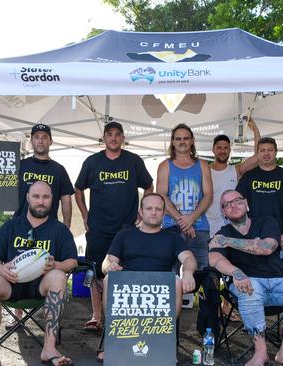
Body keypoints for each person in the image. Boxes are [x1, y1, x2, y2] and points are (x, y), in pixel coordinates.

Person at [0, 123, 75, 324]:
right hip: (20, 225)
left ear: (50, 141)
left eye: (44, 137)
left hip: (48, 227)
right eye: (37, 137)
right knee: (17, 263)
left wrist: (66, 225)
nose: (40, 140)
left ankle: (34, 312)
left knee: (44, 268)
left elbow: (67, 198)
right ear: (31, 141)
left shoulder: (59, 170)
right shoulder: (20, 164)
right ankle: (18, 314)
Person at [209, 190, 283, 366]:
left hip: (279, 279)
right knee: (250, 288)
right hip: (249, 283)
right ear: (223, 213)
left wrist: (228, 241)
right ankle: (260, 353)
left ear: (247, 204)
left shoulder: (266, 222)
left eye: (237, 200)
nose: (233, 205)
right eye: (227, 204)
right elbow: (214, 258)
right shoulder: (223, 231)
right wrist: (236, 272)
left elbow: (267, 247)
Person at [0, 181, 78, 366]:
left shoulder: (59, 229)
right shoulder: (11, 226)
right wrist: (1, 269)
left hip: (41, 286)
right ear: (28, 198)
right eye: (36, 196)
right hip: (11, 284)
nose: (41, 201)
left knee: (58, 276)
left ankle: (49, 348)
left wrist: (56, 265)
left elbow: (72, 261)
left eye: (46, 197)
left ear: (52, 200)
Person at [97, 193, 197, 362]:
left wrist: (187, 273)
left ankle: (163, 344)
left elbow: (188, 258)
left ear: (164, 212)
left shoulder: (173, 238)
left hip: (160, 288)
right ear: (141, 212)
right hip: (129, 287)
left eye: (158, 209)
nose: (153, 212)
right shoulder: (124, 235)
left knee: (176, 281)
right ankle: (114, 342)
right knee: (108, 279)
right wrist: (110, 266)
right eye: (149, 208)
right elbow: (107, 262)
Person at [74, 121, 153, 331]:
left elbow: (149, 186)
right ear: (104, 137)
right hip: (98, 228)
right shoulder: (92, 162)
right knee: (95, 272)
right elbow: (78, 189)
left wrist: (142, 212)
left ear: (123, 137)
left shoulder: (133, 161)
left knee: (124, 271)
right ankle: (96, 315)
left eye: (118, 134)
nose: (113, 138)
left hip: (127, 228)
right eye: (109, 134)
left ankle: (122, 316)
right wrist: (84, 215)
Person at [236, 136, 283, 266]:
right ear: (258, 153)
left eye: (270, 150)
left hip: (282, 240)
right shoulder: (248, 177)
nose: (266, 153)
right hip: (254, 241)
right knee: (256, 281)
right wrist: (244, 233)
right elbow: (238, 205)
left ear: (276, 152)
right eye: (262, 150)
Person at [157, 123, 212, 270]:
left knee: (202, 273)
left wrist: (192, 218)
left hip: (199, 228)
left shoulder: (203, 165)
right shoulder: (165, 165)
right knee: (169, 274)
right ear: (173, 142)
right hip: (171, 228)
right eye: (178, 138)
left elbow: (208, 195)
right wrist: (182, 221)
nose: (182, 141)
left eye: (186, 138)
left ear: (192, 141)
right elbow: (161, 196)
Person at [208, 117, 260, 236]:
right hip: (209, 229)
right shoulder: (205, 170)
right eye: (219, 148)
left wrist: (255, 131)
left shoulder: (235, 170)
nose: (222, 151)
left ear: (230, 150)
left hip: (233, 228)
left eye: (226, 148)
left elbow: (257, 157)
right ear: (213, 150)